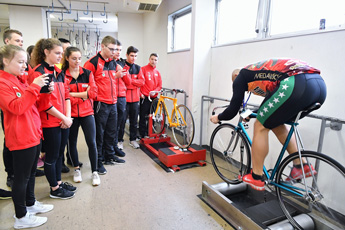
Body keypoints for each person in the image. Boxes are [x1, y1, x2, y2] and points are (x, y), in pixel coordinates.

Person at [210, 59, 327, 191]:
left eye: (245, 89)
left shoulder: (241, 76)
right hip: (318, 86)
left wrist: (218, 117)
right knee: (275, 122)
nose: (248, 91)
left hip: (296, 83)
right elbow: (270, 105)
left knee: (259, 125)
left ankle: (256, 176)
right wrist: (254, 112)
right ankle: (301, 166)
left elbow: (232, 110)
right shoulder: (261, 72)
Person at [0, 44, 54, 229]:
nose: (25, 66)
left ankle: (30, 204)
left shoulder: (19, 79)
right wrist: (33, 87)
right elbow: (17, 107)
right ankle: (21, 217)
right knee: (21, 178)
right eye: (20, 62)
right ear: (6, 61)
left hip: (33, 133)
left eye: (25, 62)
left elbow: (32, 103)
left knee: (31, 174)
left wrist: (44, 89)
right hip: (21, 137)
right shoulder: (2, 83)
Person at [29, 38, 76, 199]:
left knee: (59, 154)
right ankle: (54, 189)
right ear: (46, 52)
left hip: (63, 120)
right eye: (57, 53)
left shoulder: (58, 71)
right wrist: (64, 117)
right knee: (52, 155)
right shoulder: (38, 73)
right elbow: (43, 104)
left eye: (61, 53)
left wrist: (67, 117)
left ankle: (58, 182)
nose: (60, 56)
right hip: (50, 122)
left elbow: (67, 95)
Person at [83, 36, 126, 174]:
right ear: (102, 46)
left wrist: (118, 75)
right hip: (100, 103)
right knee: (99, 134)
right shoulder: (92, 63)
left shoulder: (113, 63)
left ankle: (110, 155)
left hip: (113, 102)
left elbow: (110, 80)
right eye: (111, 49)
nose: (114, 52)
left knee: (111, 132)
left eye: (116, 49)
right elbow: (86, 85)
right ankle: (98, 160)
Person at [62, 46, 100, 186]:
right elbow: (64, 97)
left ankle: (95, 172)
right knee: (71, 143)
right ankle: (76, 169)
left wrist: (73, 95)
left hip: (87, 113)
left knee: (92, 142)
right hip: (70, 114)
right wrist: (83, 96)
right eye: (73, 58)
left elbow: (93, 94)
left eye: (79, 58)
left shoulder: (88, 73)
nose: (77, 61)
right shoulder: (62, 75)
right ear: (67, 58)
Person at [119, 46, 144, 149]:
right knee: (122, 121)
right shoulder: (122, 66)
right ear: (127, 55)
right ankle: (119, 141)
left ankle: (132, 140)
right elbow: (124, 83)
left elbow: (142, 82)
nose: (134, 58)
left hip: (135, 100)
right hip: (125, 99)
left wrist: (131, 82)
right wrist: (134, 83)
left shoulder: (138, 68)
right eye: (132, 55)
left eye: (135, 56)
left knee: (134, 122)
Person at [112, 40, 130, 151]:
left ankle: (116, 145)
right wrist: (116, 75)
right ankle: (109, 148)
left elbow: (128, 81)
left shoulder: (122, 63)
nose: (118, 52)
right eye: (116, 50)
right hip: (110, 97)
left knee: (119, 123)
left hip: (122, 96)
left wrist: (122, 72)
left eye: (120, 50)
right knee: (111, 125)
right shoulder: (106, 64)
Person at [139, 53, 162, 138]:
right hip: (145, 97)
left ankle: (150, 133)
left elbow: (159, 85)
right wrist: (140, 93)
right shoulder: (143, 69)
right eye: (152, 59)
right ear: (149, 59)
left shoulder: (157, 72)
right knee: (143, 116)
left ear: (157, 61)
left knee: (152, 117)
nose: (153, 61)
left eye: (155, 60)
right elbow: (139, 83)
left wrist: (155, 91)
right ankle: (142, 134)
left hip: (154, 98)